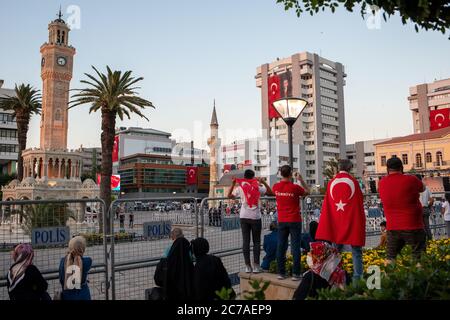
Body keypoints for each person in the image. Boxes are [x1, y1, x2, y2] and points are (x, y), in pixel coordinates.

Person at [315, 159, 365, 281]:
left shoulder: (332, 182)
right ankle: (357, 278)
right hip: (352, 220)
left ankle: (333, 276)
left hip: (336, 221)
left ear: (338, 168)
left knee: (335, 250)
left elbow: (328, 204)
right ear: (350, 168)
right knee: (356, 251)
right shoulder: (353, 182)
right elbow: (359, 201)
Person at [378, 157, 426, 262]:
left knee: (390, 259)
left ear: (387, 169)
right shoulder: (411, 179)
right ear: (401, 167)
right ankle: (420, 278)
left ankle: (389, 278)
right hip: (413, 226)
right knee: (418, 257)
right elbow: (423, 188)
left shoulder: (381, 183)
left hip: (392, 228)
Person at [228, 169, 272, 273]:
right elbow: (270, 193)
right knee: (256, 242)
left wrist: (233, 184)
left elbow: (229, 196)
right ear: (253, 177)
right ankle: (256, 266)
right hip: (255, 217)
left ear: (244, 177)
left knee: (245, 242)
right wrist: (264, 182)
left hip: (243, 216)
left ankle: (247, 266)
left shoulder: (240, 187)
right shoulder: (258, 187)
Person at [272, 165, 310, 281]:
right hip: (294, 219)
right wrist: (301, 180)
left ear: (281, 174)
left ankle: (281, 273)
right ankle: (296, 274)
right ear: (290, 174)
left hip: (282, 220)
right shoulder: (295, 188)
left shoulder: (276, 187)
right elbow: (307, 191)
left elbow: (272, 192)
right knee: (295, 247)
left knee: (281, 246)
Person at [58, 236, 92, 300]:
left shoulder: (63, 261)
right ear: (83, 249)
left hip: (67, 296)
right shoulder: (87, 261)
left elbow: (61, 279)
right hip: (83, 295)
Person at [418, 176, 434, 241]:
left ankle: (422, 241)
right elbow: (432, 200)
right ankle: (430, 241)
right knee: (427, 226)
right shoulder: (427, 188)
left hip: (418, 210)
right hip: (425, 209)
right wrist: (428, 206)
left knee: (420, 227)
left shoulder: (415, 188)